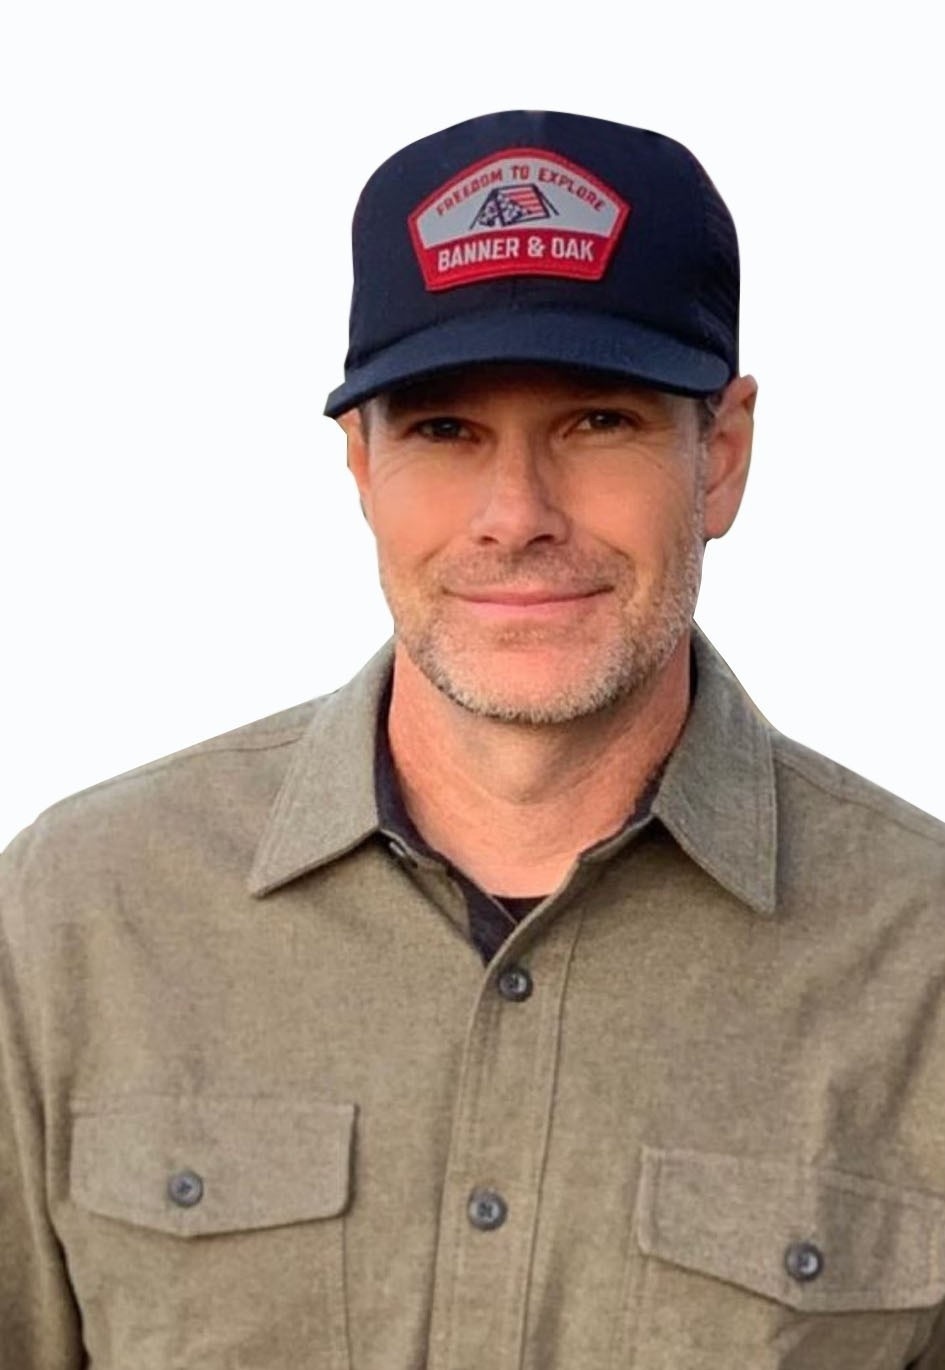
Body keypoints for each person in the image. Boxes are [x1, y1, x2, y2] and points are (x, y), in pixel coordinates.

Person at [2, 109, 944, 1370]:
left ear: (720, 456)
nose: (516, 515)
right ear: (360, 465)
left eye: (597, 420)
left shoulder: (923, 960)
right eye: (445, 430)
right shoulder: (78, 916)